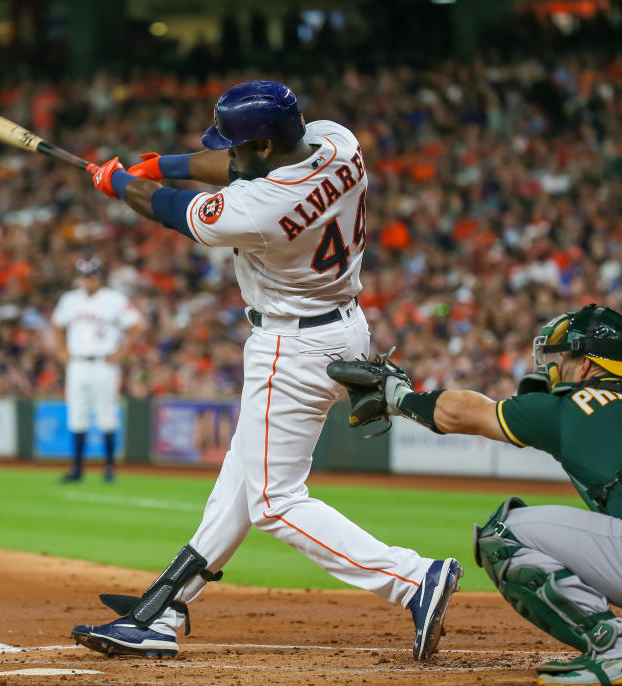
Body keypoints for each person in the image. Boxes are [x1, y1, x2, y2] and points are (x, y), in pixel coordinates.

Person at [70, 80, 461, 661]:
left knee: (274, 501)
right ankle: (167, 606)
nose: (229, 155)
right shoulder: (337, 142)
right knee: (241, 479)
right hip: (342, 325)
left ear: (263, 149)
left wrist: (120, 181)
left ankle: (412, 579)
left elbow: (174, 210)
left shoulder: (262, 207)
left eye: (237, 147)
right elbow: (230, 167)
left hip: (293, 344)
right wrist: (162, 163)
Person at [327, 304, 622, 686]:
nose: (553, 366)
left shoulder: (574, 407)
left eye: (562, 356)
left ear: (585, 366)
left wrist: (397, 395)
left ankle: (612, 647)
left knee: (505, 533)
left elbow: (466, 412)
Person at [51, 257, 143, 483]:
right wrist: (62, 351)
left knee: (107, 414)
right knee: (77, 414)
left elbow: (138, 324)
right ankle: (77, 469)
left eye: (91, 275)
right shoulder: (70, 299)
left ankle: (109, 468)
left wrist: (121, 352)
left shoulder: (113, 299)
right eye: (83, 276)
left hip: (104, 363)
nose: (87, 280)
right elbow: (56, 324)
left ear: (99, 277)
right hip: (78, 363)